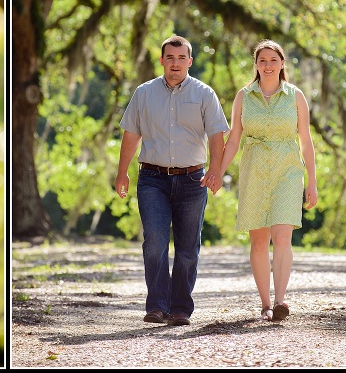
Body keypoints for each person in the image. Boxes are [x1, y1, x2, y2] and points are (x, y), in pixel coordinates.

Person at [115, 35, 229, 327]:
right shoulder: (144, 93)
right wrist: (122, 171)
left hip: (193, 180)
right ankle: (156, 306)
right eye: (170, 58)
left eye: (181, 58)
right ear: (162, 60)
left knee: (188, 247)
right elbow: (131, 134)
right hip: (152, 178)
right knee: (154, 241)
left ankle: (180, 309)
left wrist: (215, 169)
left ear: (189, 62)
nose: (175, 64)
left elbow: (217, 135)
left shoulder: (205, 94)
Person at [218, 39, 318, 322]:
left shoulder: (296, 96)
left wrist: (312, 182)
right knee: (259, 240)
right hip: (254, 169)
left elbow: (306, 141)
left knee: (283, 235)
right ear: (256, 65)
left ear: (282, 63)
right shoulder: (243, 96)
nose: (268, 65)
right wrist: (216, 171)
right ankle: (265, 303)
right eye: (262, 60)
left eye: (273, 60)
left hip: (288, 169)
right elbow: (234, 139)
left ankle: (281, 300)